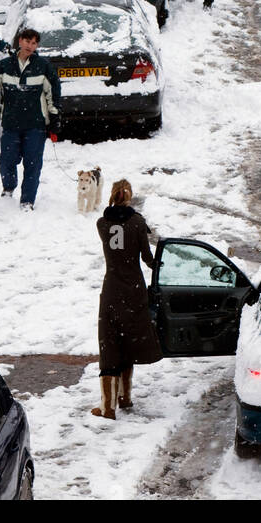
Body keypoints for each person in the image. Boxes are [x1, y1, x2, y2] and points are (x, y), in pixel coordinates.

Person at [92, 178, 162, 419]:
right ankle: (125, 397)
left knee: (109, 341)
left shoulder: (101, 224)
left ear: (112, 195)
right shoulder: (137, 222)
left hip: (111, 288)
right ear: (129, 196)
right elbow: (147, 257)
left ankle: (108, 407)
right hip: (134, 290)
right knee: (129, 340)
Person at [0, 27, 61, 211]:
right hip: (11, 123)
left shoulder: (43, 66)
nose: (30, 46)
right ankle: (8, 189)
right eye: (27, 41)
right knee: (6, 160)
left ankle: (27, 201)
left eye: (34, 43)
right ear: (19, 42)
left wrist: (55, 115)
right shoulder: (6, 65)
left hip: (35, 125)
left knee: (32, 163)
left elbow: (53, 91)